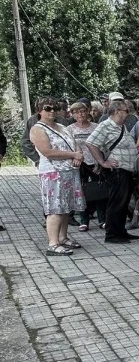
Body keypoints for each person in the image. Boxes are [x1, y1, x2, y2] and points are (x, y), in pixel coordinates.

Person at [29, 98, 86, 255]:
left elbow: (74, 143)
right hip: (52, 172)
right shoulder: (37, 129)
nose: (52, 111)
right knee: (55, 208)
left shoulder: (61, 126)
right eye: (48, 108)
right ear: (39, 110)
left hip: (69, 171)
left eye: (55, 107)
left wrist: (77, 155)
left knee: (66, 207)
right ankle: (53, 243)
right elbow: (48, 152)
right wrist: (73, 154)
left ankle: (63, 237)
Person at [86, 100, 139, 244]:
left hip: (126, 170)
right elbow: (90, 142)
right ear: (117, 111)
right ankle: (112, 235)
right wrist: (102, 162)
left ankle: (120, 231)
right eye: (126, 110)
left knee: (123, 203)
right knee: (117, 202)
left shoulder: (120, 126)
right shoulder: (106, 126)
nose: (128, 113)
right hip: (117, 170)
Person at [66, 101, 106, 232]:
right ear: (72, 114)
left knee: (99, 190)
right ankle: (84, 220)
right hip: (79, 164)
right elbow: (69, 147)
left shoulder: (96, 126)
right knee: (81, 192)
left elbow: (101, 145)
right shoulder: (70, 129)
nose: (80, 114)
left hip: (95, 162)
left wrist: (100, 162)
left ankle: (102, 220)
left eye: (82, 111)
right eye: (76, 112)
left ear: (88, 111)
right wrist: (75, 157)